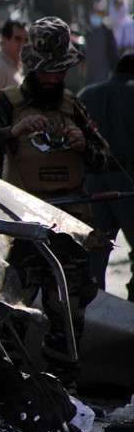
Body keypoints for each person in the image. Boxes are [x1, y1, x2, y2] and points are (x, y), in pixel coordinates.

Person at [0, 16, 110, 389]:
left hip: (66, 230)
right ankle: (13, 389)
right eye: (46, 71)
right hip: (22, 228)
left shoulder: (74, 107)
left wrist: (84, 145)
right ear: (30, 65)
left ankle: (63, 392)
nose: (52, 79)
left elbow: (104, 160)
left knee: (69, 320)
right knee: (10, 315)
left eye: (59, 71)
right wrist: (11, 132)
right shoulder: (8, 104)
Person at [77, 53, 134, 301]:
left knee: (95, 255)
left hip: (93, 184)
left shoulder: (87, 94)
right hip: (128, 184)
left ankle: (94, 312)